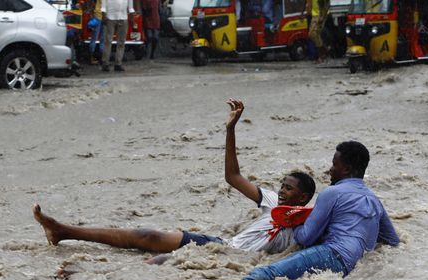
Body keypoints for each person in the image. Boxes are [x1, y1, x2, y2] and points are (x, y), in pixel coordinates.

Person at [33, 99, 316, 260]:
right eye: (281, 185)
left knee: (155, 262)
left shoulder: (310, 223)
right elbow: (232, 176)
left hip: (234, 261)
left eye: (288, 189)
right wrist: (230, 130)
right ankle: (63, 231)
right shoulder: (269, 201)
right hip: (221, 245)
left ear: (303, 198)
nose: (280, 191)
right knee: (148, 236)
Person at [242, 141, 399, 280]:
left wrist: (294, 220)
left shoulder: (332, 192)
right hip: (353, 266)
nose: (330, 169)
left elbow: (306, 237)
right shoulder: (375, 200)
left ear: (346, 169)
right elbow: (392, 241)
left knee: (263, 274)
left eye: (334, 164)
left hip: (332, 255)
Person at [101, 0, 132, 72]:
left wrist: (131, 14)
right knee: (108, 41)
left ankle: (118, 63)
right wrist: (103, 14)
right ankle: (105, 63)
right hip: (110, 17)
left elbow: (130, 5)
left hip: (123, 17)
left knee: (121, 42)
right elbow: (103, 3)